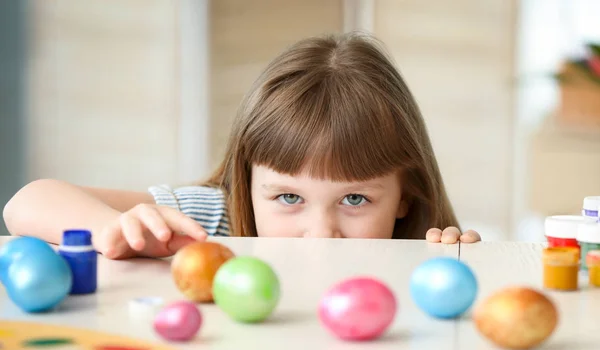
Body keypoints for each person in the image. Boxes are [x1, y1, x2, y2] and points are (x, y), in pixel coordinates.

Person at [3, 32, 481, 260]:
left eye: (354, 199)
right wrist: (116, 227)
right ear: (247, 181)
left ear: (405, 198)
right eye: (289, 197)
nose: (320, 232)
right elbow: (26, 203)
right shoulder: (209, 223)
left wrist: (454, 262)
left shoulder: (415, 251)